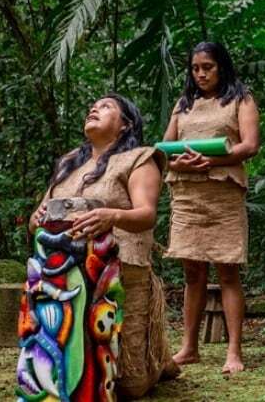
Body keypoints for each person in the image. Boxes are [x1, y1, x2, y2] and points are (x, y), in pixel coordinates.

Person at [28, 93, 179, 399]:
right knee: (70, 377)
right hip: (65, 274)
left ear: (125, 125)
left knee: (127, 386)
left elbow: (146, 214)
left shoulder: (140, 158)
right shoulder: (70, 162)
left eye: (107, 106)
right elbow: (36, 220)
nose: (94, 108)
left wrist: (111, 216)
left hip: (121, 272)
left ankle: (160, 362)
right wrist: (37, 217)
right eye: (92, 105)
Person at [163, 41, 260, 374]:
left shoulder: (240, 99)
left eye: (208, 67)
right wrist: (184, 163)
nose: (201, 73)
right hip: (188, 194)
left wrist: (214, 159)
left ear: (222, 67)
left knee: (228, 271)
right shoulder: (183, 104)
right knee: (192, 274)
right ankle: (188, 347)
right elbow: (165, 148)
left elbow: (250, 144)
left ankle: (234, 352)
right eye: (195, 68)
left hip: (223, 194)